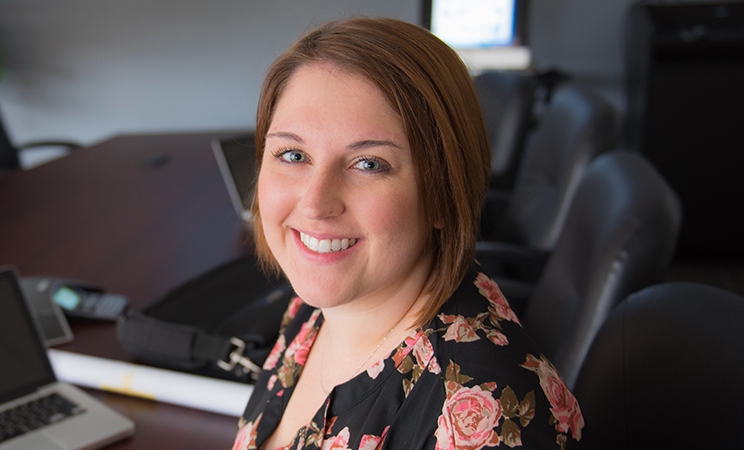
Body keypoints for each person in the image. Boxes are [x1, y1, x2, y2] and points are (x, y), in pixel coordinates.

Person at [233, 17, 584, 450]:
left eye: (369, 164)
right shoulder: (317, 306)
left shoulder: (480, 418)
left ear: (442, 192)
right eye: (293, 154)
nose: (314, 204)